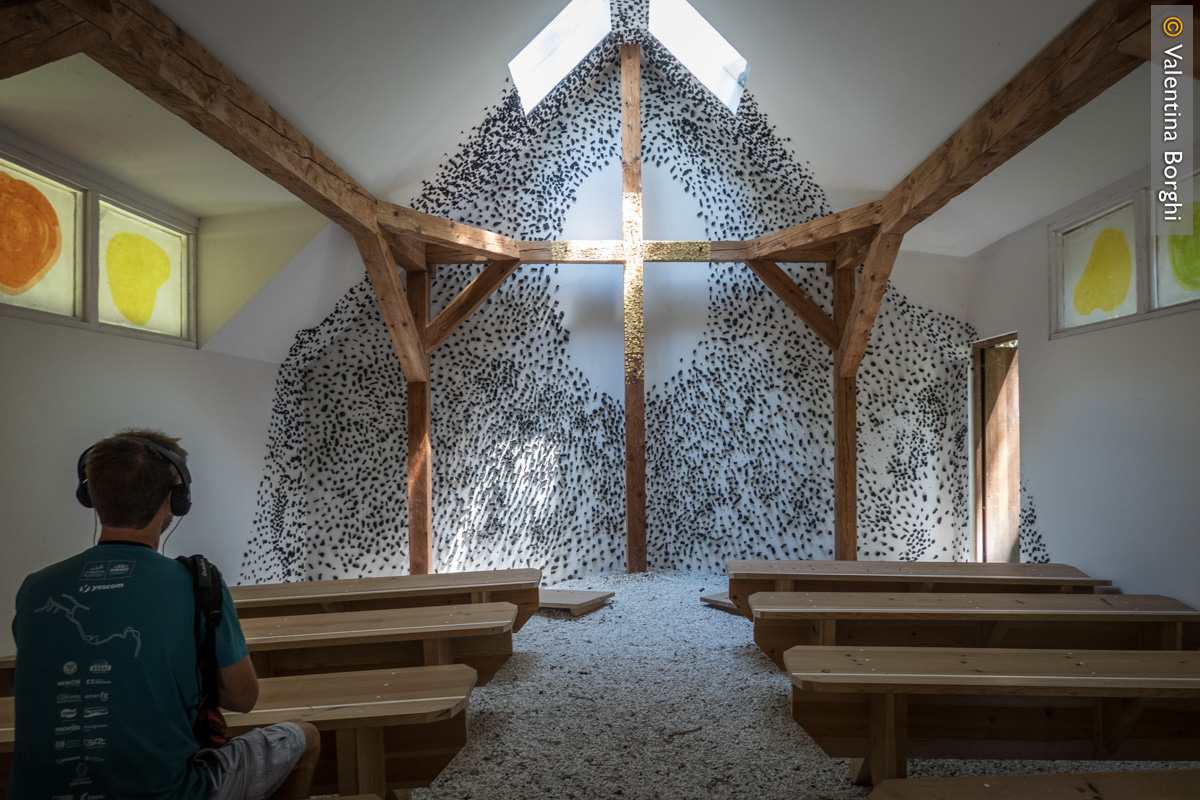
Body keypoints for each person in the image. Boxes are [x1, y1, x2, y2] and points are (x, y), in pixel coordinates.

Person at [8, 429, 320, 800]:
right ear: (177, 501)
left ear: (90, 496)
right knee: (305, 736)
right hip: (170, 793)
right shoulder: (197, 583)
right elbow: (243, 698)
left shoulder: (36, 587)